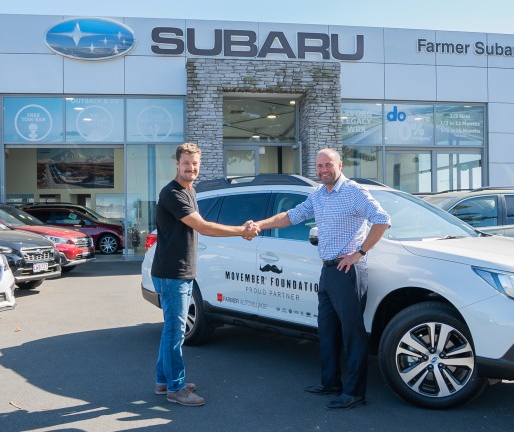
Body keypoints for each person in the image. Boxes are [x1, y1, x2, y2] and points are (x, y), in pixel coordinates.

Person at [250, 148, 390, 410]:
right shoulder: (318, 195)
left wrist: (360, 253)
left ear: (340, 164)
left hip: (347, 272)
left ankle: (355, 393)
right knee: (327, 331)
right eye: (319, 166)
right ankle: (330, 383)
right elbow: (291, 216)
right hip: (327, 271)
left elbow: (382, 220)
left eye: (328, 165)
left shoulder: (353, 191)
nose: (323, 170)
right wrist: (261, 224)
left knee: (352, 334)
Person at [151, 142, 259, 407]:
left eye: (195, 163)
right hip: (171, 273)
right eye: (186, 163)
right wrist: (240, 231)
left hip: (181, 271)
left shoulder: (190, 190)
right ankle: (176, 389)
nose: (191, 168)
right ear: (177, 163)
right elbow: (203, 227)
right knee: (175, 333)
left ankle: (164, 381)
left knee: (170, 332)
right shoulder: (172, 194)